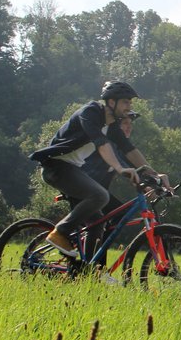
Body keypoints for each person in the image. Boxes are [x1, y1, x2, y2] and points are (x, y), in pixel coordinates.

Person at [30, 81, 168, 257]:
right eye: (126, 102)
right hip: (55, 166)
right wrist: (119, 168)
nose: (129, 107)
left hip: (73, 169)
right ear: (111, 102)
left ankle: (90, 272)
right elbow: (101, 143)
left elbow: (130, 149)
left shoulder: (111, 126)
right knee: (100, 195)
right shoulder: (90, 113)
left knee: (97, 223)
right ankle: (60, 232)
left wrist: (155, 175)